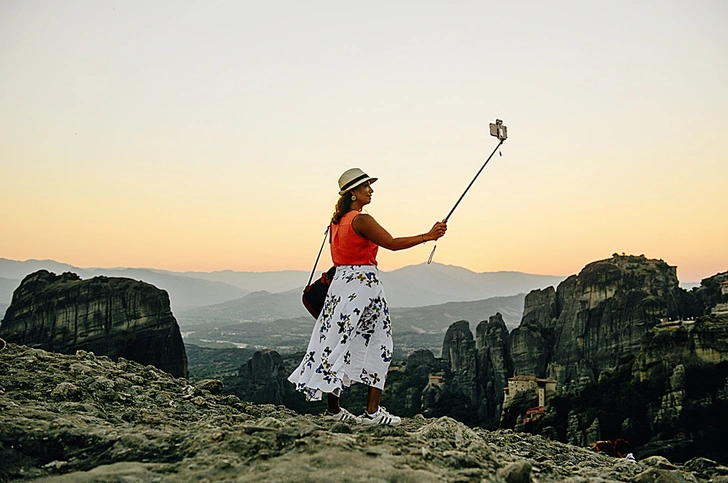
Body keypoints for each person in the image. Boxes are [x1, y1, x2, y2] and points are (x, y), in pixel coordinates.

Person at [288, 168, 447, 425]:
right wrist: (428, 236)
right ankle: (372, 412)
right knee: (380, 343)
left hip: (340, 286)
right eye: (366, 187)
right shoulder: (361, 220)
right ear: (353, 193)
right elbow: (392, 243)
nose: (371, 190)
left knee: (336, 344)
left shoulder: (336, 222)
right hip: (363, 286)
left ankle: (334, 411)